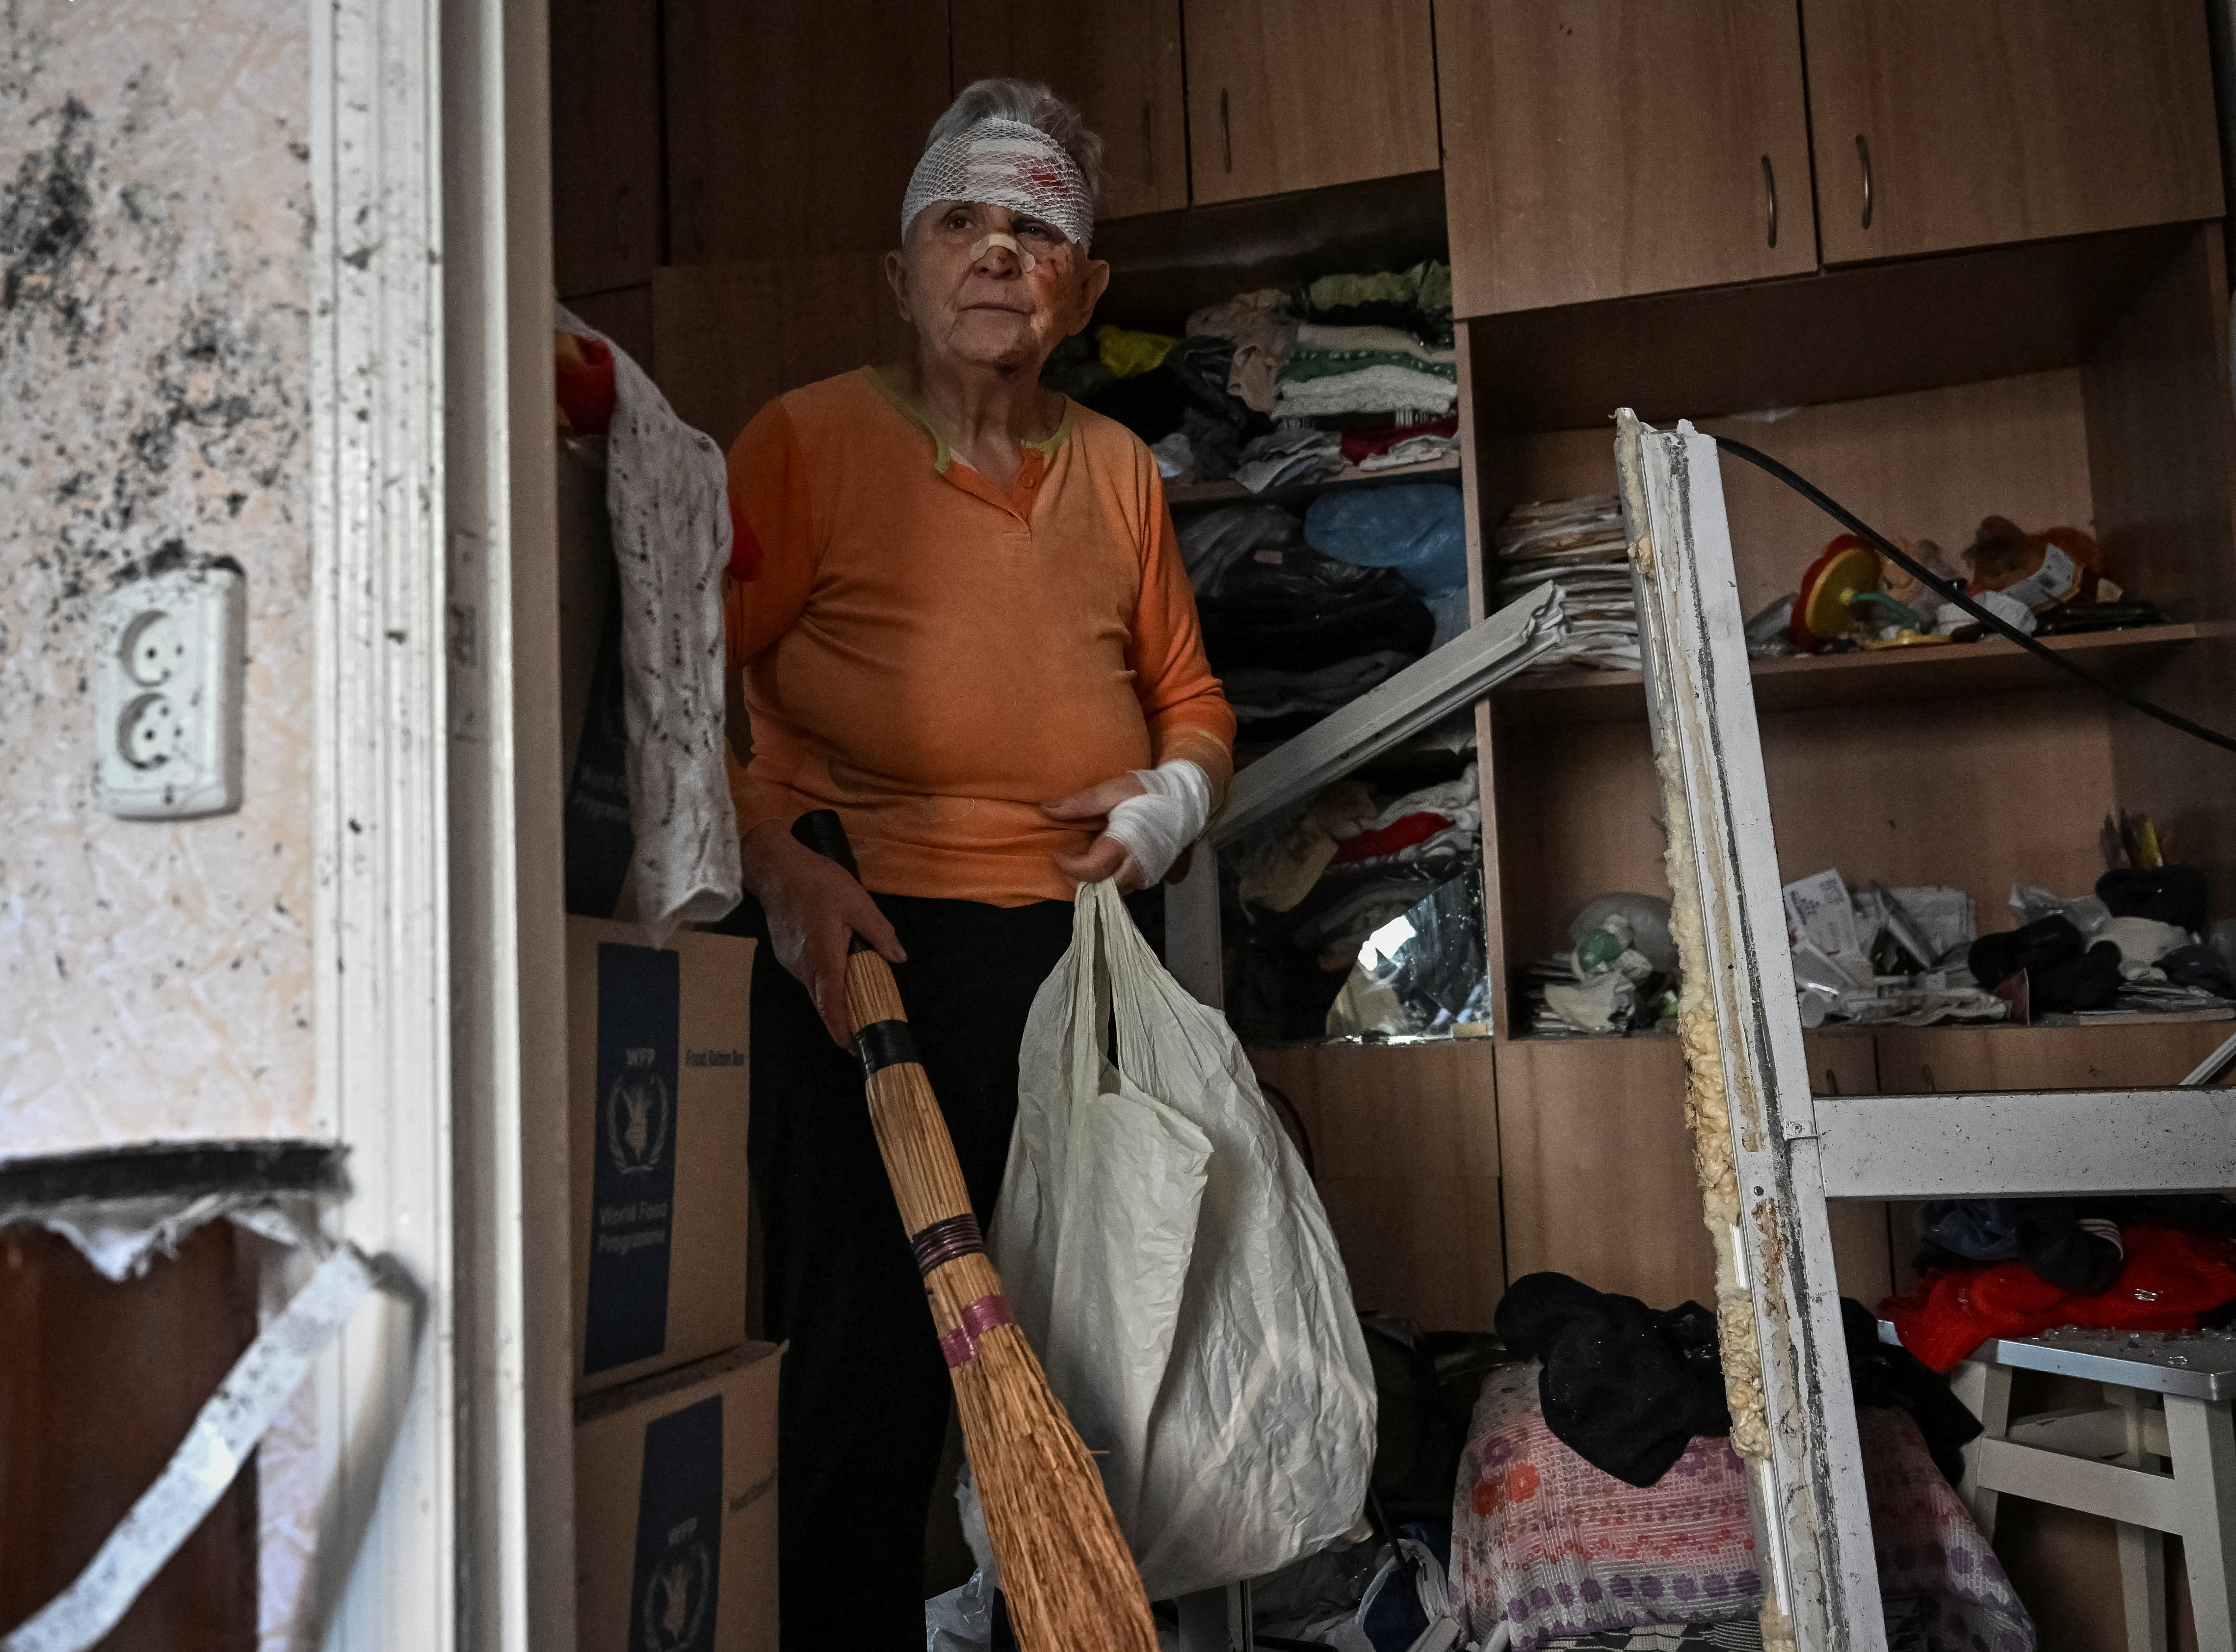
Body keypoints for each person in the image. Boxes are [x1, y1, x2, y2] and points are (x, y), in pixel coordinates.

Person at [721, 79, 1235, 1648]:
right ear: (902, 272)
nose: (998, 252)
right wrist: (778, 870)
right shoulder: (804, 443)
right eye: (962, 222)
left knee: (1083, 1364)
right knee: (863, 1374)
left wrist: (1171, 802)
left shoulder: (1121, 471)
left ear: (1084, 288)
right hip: (859, 951)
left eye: (1037, 230)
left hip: (1072, 967)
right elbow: (679, 697)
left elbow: (1196, 704)